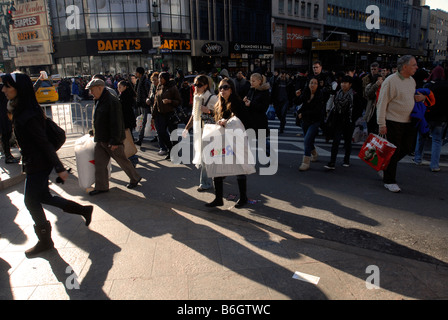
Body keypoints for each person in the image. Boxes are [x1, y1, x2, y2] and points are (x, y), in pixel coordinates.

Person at [1, 72, 93, 257]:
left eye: (7, 86)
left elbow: (43, 142)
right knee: (43, 197)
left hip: (39, 164)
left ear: (18, 89)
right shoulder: (21, 107)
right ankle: (83, 209)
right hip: (35, 162)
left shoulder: (28, 113)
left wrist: (59, 167)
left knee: (30, 201)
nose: (3, 90)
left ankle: (45, 241)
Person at [376, 55, 426, 193]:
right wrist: (381, 123)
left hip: (408, 121)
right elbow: (382, 102)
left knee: (407, 147)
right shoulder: (390, 81)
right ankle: (389, 180)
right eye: (414, 65)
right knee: (393, 152)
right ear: (404, 66)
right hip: (393, 121)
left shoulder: (412, 81)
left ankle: (385, 166)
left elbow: (411, 98)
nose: (416, 67)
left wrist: (421, 98)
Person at [86, 78, 142, 196]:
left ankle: (135, 177)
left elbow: (117, 123)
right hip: (101, 138)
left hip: (112, 139)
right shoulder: (99, 100)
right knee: (100, 164)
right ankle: (102, 187)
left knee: (122, 160)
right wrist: (94, 131)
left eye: (92, 90)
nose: (90, 92)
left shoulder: (112, 101)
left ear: (100, 88)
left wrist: (115, 141)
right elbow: (99, 119)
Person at [206, 78, 250, 208]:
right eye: (220, 88)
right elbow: (218, 119)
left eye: (225, 87)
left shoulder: (237, 102)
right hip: (222, 140)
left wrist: (227, 122)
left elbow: (245, 121)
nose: (222, 90)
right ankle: (218, 198)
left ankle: (243, 198)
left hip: (236, 140)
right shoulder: (219, 103)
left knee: (239, 169)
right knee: (217, 167)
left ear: (231, 89)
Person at [183, 75, 218, 192]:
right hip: (200, 130)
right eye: (195, 84)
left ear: (206, 86)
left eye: (199, 85)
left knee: (205, 157)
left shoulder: (213, 98)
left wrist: (209, 111)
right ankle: (216, 176)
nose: (196, 87)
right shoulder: (197, 97)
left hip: (211, 131)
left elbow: (223, 114)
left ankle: (206, 183)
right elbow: (193, 115)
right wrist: (187, 128)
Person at [324, 76, 362, 169]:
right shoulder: (338, 93)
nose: (343, 85)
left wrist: (352, 119)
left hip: (349, 122)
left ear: (350, 85)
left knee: (347, 141)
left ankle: (346, 160)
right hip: (338, 121)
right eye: (342, 83)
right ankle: (332, 162)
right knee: (335, 142)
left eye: (345, 83)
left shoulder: (354, 95)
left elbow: (359, 110)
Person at [413, 76, 448, 172]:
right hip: (441, 118)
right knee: (437, 140)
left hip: (427, 115)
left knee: (421, 137)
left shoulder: (430, 86)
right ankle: (434, 165)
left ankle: (418, 158)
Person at [295, 77, 325, 171]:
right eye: (311, 83)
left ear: (318, 85)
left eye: (315, 83)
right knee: (308, 140)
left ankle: (305, 162)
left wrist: (303, 114)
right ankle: (315, 154)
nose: (313, 85)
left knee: (307, 140)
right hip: (305, 121)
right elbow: (297, 103)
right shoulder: (305, 93)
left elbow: (317, 111)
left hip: (315, 121)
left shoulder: (320, 95)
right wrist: (297, 96)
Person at [151, 72, 182, 160]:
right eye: (159, 78)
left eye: (162, 78)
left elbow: (179, 101)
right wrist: (153, 116)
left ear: (166, 78)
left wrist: (170, 101)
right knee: (161, 132)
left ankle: (174, 152)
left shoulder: (172, 87)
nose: (160, 80)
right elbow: (155, 102)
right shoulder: (159, 87)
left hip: (171, 113)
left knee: (173, 134)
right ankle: (170, 148)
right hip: (160, 114)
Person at [243, 73, 271, 154]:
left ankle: (271, 155)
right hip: (250, 120)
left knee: (263, 142)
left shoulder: (264, 92)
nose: (251, 82)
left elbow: (263, 108)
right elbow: (248, 101)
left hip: (259, 121)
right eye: (251, 80)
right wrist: (245, 100)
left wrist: (250, 104)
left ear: (259, 81)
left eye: (253, 81)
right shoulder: (251, 90)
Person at [117, 80, 139, 167]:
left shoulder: (125, 96)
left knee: (128, 141)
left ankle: (133, 159)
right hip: (127, 120)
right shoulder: (125, 95)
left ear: (125, 87)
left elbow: (124, 110)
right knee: (129, 140)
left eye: (120, 87)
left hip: (126, 121)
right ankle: (132, 158)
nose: (118, 89)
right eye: (118, 87)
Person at [0, 79, 19, 164]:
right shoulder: (3, 88)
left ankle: (8, 155)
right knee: (6, 135)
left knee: (7, 135)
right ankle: (8, 156)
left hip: (6, 116)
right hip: (4, 117)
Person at [134, 67, 150, 145]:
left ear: (140, 73)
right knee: (141, 120)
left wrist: (148, 100)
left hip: (145, 104)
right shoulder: (138, 81)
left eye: (136, 72)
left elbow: (149, 93)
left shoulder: (145, 81)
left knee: (144, 121)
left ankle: (140, 138)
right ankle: (141, 137)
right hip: (140, 103)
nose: (135, 74)